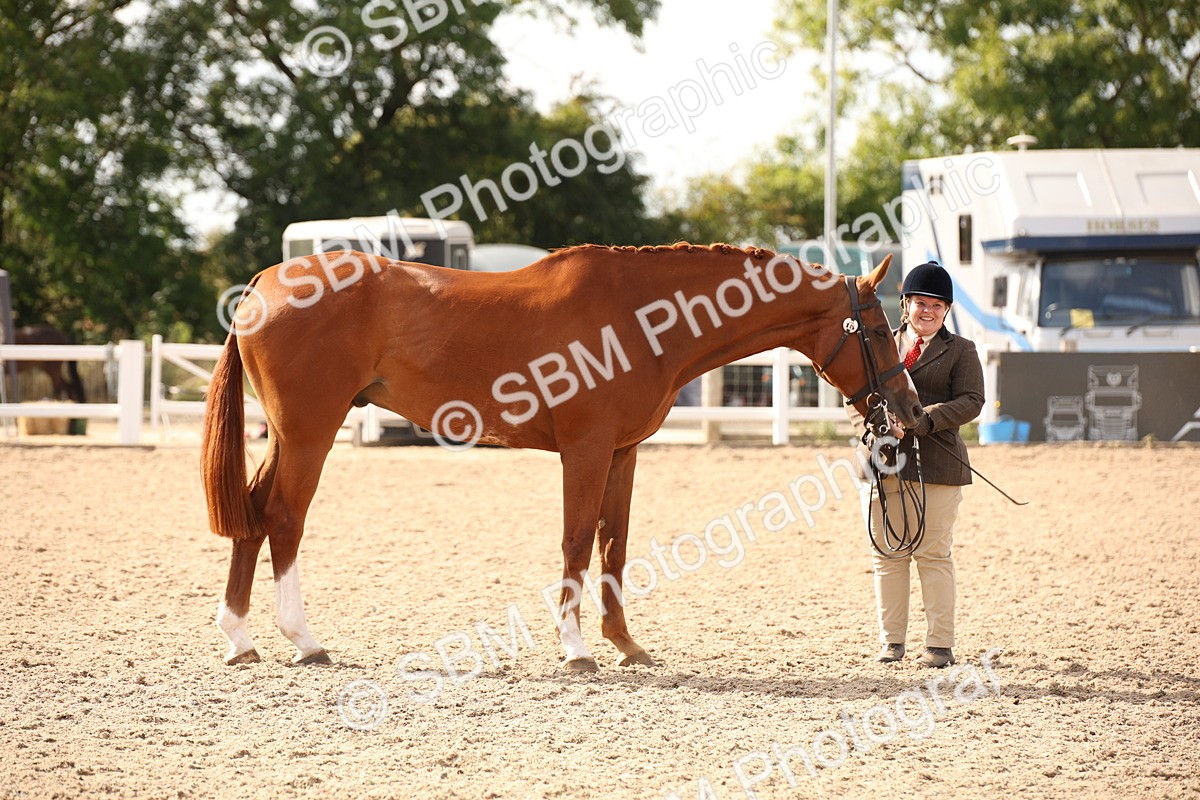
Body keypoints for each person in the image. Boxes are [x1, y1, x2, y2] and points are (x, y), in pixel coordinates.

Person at [848, 261, 984, 668]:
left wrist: (923, 420)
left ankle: (939, 645)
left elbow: (972, 400)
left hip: (938, 463)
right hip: (882, 461)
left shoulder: (961, 350)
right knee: (886, 554)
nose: (927, 311)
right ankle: (892, 643)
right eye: (920, 303)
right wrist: (874, 425)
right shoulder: (877, 343)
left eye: (936, 305)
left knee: (933, 554)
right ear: (904, 304)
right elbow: (853, 395)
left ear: (946, 311)